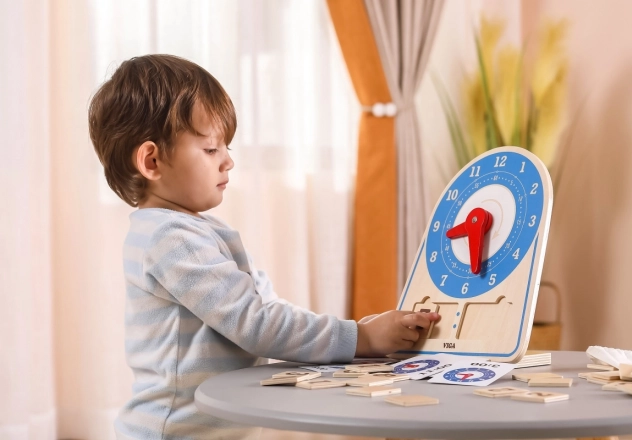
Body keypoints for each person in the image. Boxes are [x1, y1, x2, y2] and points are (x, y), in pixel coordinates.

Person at [88, 54, 440, 440]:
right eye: (210, 150)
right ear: (152, 160)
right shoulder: (171, 238)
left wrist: (355, 335)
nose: (228, 162)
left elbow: (265, 310)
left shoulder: (192, 231)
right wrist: (360, 337)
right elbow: (255, 323)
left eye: (227, 148)